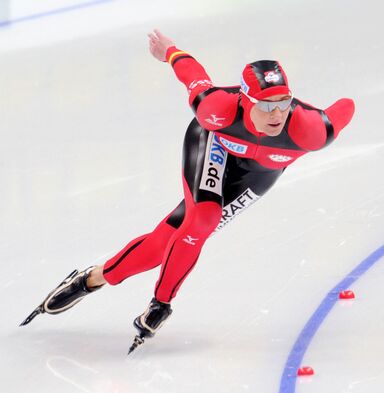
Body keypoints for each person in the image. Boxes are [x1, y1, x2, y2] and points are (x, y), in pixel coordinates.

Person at [21, 29, 355, 353]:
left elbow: (347, 107)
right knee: (203, 220)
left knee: (161, 245)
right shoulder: (217, 108)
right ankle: (161, 304)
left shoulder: (311, 131)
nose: (277, 114)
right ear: (244, 100)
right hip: (213, 146)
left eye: (283, 103)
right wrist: (168, 49)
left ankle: (90, 280)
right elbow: (192, 75)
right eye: (266, 106)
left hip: (259, 174)